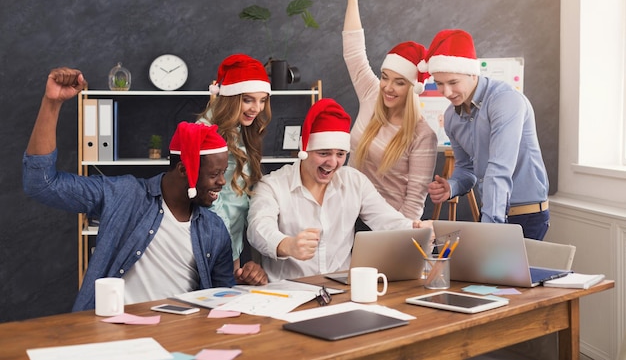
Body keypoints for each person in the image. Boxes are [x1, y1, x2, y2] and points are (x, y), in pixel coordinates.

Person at [23, 67, 236, 311]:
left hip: (182, 336)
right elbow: (42, 184)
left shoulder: (214, 229)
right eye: (214, 174)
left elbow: (223, 300)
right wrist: (52, 104)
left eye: (223, 173)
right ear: (183, 170)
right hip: (115, 333)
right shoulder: (124, 194)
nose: (222, 182)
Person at [246, 98, 433, 282]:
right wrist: (288, 245)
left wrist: (416, 229)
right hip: (288, 292)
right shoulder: (272, 185)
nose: (333, 163)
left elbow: (387, 220)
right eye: (324, 153)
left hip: (341, 291)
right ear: (305, 150)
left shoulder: (355, 181)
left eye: (340, 154)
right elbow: (258, 228)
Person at [422, 29, 550, 240]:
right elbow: (466, 168)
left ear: (473, 73)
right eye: (439, 83)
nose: (445, 92)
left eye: (453, 82)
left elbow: (499, 169)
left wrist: (488, 231)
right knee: (482, 273)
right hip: (491, 212)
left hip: (526, 216)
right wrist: (452, 186)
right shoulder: (452, 117)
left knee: (508, 274)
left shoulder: (505, 101)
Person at [342, 0, 438, 220]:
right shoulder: (372, 94)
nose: (387, 87)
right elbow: (353, 51)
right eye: (385, 77)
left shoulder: (422, 135)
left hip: (386, 226)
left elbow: (415, 200)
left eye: (399, 82)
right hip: (346, 216)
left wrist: (396, 240)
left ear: (413, 88)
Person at [197, 53, 271, 285]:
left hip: (234, 238)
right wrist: (227, 246)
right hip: (215, 237)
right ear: (231, 97)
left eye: (262, 100)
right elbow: (209, 195)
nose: (257, 108)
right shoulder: (208, 131)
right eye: (248, 100)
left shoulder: (240, 128)